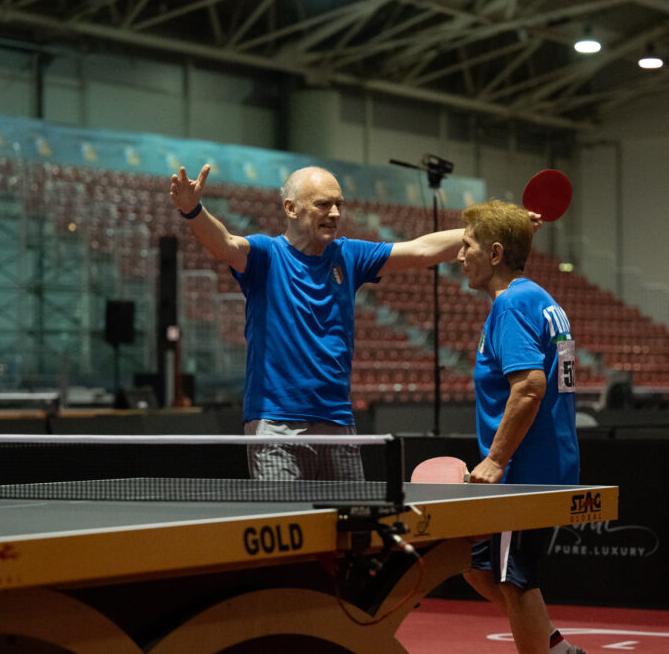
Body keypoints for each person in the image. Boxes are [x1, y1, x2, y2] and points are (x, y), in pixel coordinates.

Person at [170, 164, 541, 481]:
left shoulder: (349, 255)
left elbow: (421, 249)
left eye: (338, 204)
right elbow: (225, 245)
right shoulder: (267, 255)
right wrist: (193, 211)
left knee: (351, 536)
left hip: (337, 422)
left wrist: (500, 230)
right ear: (291, 208)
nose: (334, 212)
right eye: (323, 204)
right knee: (287, 535)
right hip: (276, 423)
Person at [456, 200, 582, 654]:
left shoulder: (510, 305)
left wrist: (495, 459)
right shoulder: (542, 300)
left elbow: (529, 386)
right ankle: (555, 647)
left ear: (493, 254)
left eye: (466, 245)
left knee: (513, 581)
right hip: (551, 463)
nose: (458, 254)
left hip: (523, 473)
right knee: (475, 564)